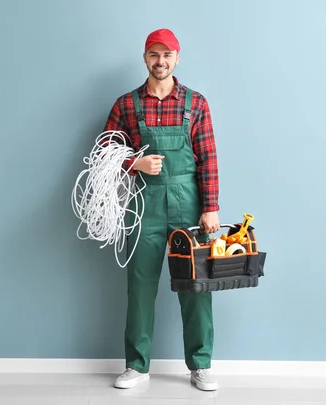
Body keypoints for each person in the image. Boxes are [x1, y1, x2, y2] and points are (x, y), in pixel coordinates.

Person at [103, 28, 221, 391]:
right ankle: (137, 366)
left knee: (196, 285)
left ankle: (200, 365)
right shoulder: (126, 104)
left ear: (177, 58)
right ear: (145, 58)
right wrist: (134, 165)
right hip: (143, 205)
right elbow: (103, 155)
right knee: (140, 285)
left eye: (167, 54)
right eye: (154, 54)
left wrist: (211, 207)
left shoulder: (195, 103)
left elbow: (208, 159)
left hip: (189, 205)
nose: (161, 61)